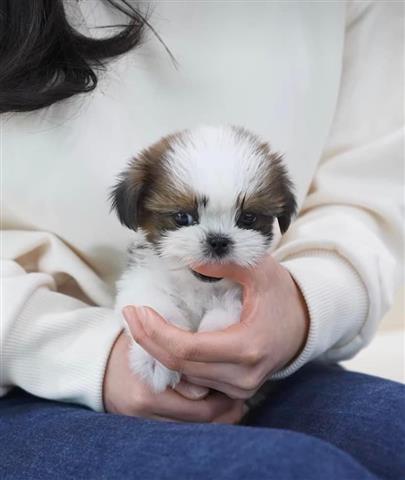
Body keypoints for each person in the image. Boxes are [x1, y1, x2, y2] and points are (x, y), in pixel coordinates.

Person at [1, 1, 404, 479]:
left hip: (271, 371)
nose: (216, 240)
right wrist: (88, 352)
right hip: (22, 375)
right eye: (184, 218)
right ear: (138, 210)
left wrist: (301, 306)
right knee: (291, 471)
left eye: (249, 220)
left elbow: (370, 195)